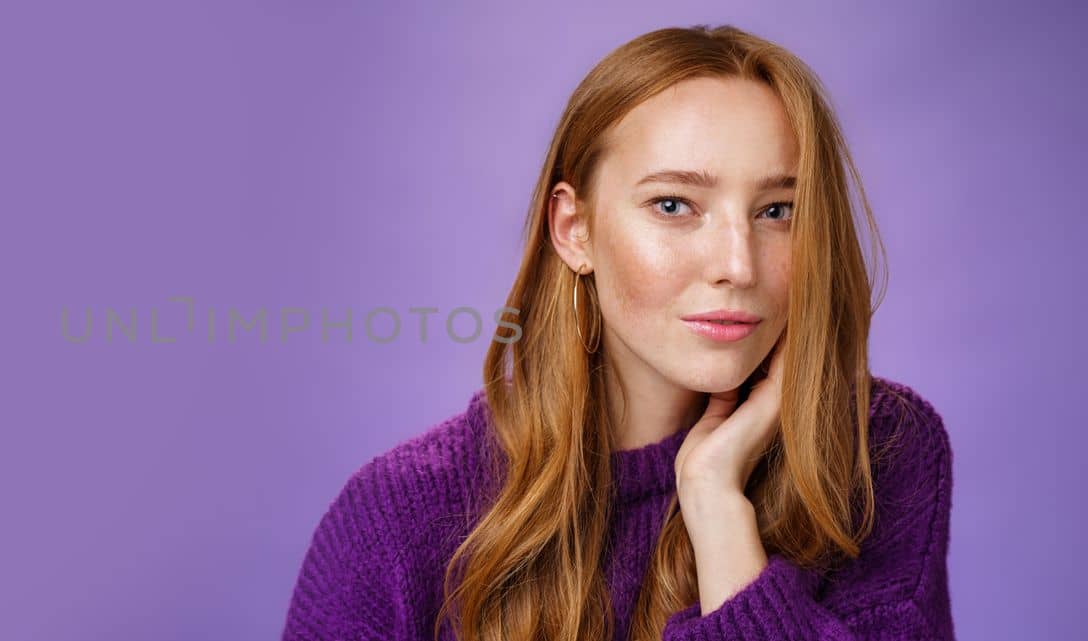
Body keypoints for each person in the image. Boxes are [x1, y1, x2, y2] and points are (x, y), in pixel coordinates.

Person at [280, 24, 954, 641]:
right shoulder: (399, 520)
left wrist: (718, 510)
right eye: (674, 205)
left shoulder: (875, 453)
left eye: (778, 210)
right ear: (574, 230)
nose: (737, 264)